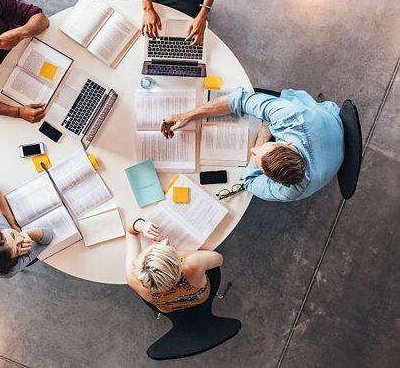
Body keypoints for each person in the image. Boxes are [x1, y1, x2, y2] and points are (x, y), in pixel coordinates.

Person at [161, 87, 344, 202]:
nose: (252, 150)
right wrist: (185, 116)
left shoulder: (290, 192)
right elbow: (237, 100)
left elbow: (249, 182)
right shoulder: (291, 116)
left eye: (255, 155)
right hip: (332, 132)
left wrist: (263, 138)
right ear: (286, 143)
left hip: (332, 142)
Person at [125, 218, 223, 312]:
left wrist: (141, 225)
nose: (166, 240)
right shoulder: (192, 264)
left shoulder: (133, 279)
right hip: (200, 299)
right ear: (179, 264)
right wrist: (178, 254)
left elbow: (130, 232)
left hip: (168, 309)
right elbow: (219, 258)